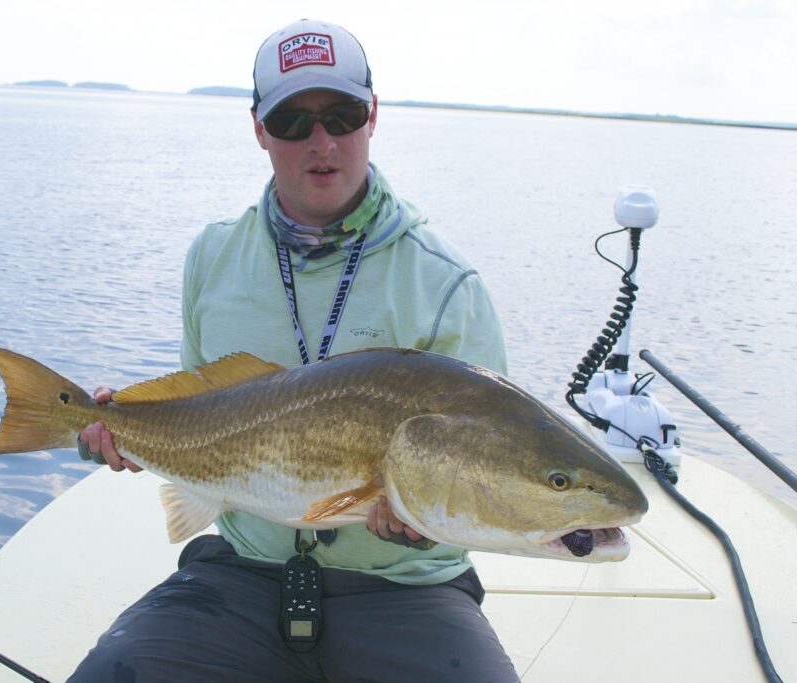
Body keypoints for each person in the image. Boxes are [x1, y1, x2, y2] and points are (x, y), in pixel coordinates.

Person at [69, 19, 518, 683]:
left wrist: (426, 524)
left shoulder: (447, 284)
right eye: (292, 121)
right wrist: (125, 431)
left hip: (406, 590)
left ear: (373, 117)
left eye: (342, 115)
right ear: (258, 129)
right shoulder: (214, 255)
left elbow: (485, 467)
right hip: (242, 572)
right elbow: (196, 405)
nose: (323, 142)